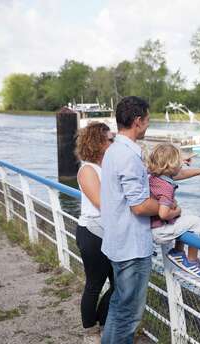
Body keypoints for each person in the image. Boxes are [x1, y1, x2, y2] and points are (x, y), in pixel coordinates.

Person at [100, 96, 160, 344]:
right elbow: (139, 206)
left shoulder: (113, 150)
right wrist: (169, 208)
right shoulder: (128, 155)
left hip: (116, 242)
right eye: (147, 120)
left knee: (118, 305)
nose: (148, 125)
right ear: (138, 121)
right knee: (129, 314)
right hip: (131, 248)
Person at [75, 122, 115, 344]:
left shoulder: (107, 166)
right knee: (94, 285)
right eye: (110, 139)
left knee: (118, 285)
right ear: (97, 142)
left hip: (110, 233)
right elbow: (102, 203)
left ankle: (103, 323)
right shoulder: (88, 169)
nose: (113, 143)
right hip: (92, 234)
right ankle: (90, 333)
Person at [147, 143, 200, 278]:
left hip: (150, 228)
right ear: (170, 166)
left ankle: (178, 251)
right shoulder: (166, 187)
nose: (181, 165)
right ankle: (192, 260)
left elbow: (178, 173)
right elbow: (163, 214)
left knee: (186, 216)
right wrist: (176, 210)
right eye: (179, 163)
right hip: (159, 232)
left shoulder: (154, 177)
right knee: (198, 223)